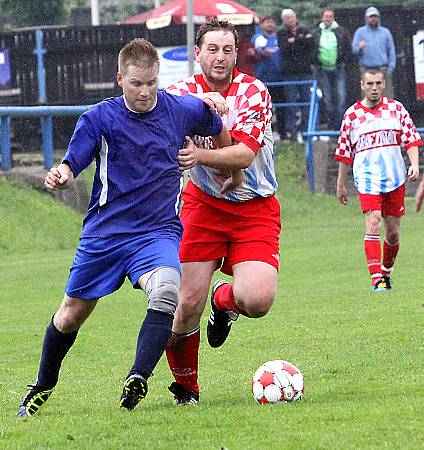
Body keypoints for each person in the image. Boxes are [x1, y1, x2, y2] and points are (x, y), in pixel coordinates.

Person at [17, 38, 233, 417]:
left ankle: (138, 377)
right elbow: (73, 162)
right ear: (120, 79)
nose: (145, 92)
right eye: (136, 84)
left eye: (151, 83)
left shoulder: (180, 109)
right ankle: (43, 384)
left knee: (166, 291)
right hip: (105, 234)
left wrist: (227, 168)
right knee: (70, 315)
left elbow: (216, 124)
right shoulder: (99, 117)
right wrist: (62, 174)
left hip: (157, 231)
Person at [164, 19, 281, 405]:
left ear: (237, 54)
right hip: (203, 205)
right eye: (211, 49)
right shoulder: (179, 93)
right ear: (197, 53)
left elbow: (244, 155)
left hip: (254, 207)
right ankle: (187, 390)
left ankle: (224, 301)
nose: (219, 57)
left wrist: (201, 155)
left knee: (259, 301)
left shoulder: (253, 91)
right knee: (184, 305)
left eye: (227, 50)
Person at [335, 67, 422, 291]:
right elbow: (344, 153)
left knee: (392, 232)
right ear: (363, 86)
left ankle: (386, 272)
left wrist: (413, 164)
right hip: (367, 179)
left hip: (394, 178)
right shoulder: (352, 115)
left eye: (378, 84)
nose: (374, 88)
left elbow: (411, 139)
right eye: (370, 84)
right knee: (373, 222)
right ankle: (376, 280)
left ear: (383, 85)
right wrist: (341, 185)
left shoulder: (396, 109)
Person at [277, 8, 315, 143]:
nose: (290, 20)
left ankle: (307, 130)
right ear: (284, 20)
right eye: (287, 18)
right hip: (290, 73)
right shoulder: (281, 32)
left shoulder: (304, 29)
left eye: (291, 17)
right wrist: (301, 41)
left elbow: (311, 44)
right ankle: (292, 131)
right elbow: (284, 49)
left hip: (305, 71)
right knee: (291, 102)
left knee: (307, 101)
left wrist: (295, 41)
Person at [312, 8, 351, 131]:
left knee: (341, 97)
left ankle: (342, 127)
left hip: (338, 67)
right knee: (327, 98)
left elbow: (348, 48)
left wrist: (342, 60)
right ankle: (331, 127)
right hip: (323, 69)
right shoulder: (316, 32)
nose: (328, 18)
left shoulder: (342, 31)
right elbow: (312, 50)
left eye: (330, 16)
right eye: (326, 16)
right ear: (322, 18)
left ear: (333, 18)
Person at [251, 16, 285, 141]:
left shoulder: (279, 38)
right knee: (265, 108)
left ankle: (283, 133)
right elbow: (262, 51)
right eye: (267, 22)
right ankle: (265, 134)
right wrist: (262, 51)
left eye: (272, 22)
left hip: (279, 78)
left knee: (281, 107)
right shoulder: (258, 38)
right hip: (263, 79)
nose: (270, 24)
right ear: (262, 24)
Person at [352, 6, 396, 98]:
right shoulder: (360, 32)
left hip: (383, 69)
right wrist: (360, 47)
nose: (373, 19)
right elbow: (354, 50)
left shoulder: (385, 32)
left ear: (378, 18)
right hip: (366, 69)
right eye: (371, 16)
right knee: (367, 97)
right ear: (367, 18)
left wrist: (391, 68)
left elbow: (391, 50)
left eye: (375, 16)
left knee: (387, 96)